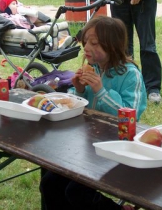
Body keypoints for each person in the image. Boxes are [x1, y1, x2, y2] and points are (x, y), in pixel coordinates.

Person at [39, 16, 146, 210]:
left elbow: (132, 116)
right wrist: (78, 90)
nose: (86, 47)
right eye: (85, 41)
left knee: (76, 191)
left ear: (112, 46)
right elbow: (79, 105)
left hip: (117, 146)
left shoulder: (131, 75)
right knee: (49, 183)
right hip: (86, 143)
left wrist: (101, 90)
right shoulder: (93, 68)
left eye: (94, 43)